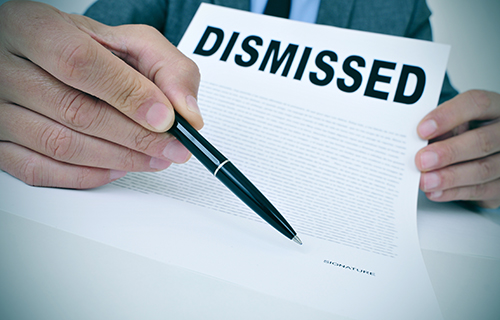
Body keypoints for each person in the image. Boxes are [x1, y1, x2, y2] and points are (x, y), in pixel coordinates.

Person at [0, 0, 498, 209]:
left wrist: (477, 155)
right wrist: (35, 66)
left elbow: (445, 126)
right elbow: (83, 52)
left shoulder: (397, 9)